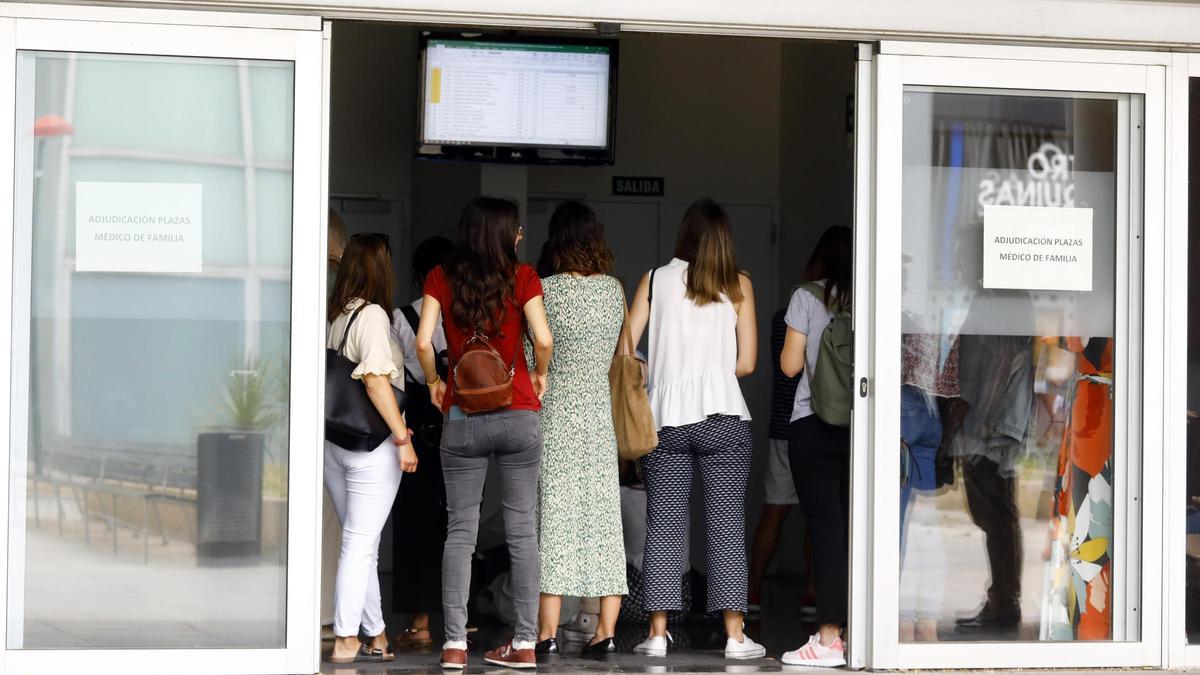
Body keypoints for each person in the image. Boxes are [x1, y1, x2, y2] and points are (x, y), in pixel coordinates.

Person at [415, 197, 554, 671]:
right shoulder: (524, 277)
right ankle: (526, 642)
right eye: (517, 229)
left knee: (461, 531)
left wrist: (434, 383)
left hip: (463, 416)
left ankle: (455, 644)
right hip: (518, 413)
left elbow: (422, 342)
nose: (521, 236)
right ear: (505, 234)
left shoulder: (441, 277)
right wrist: (540, 373)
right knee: (522, 529)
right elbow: (544, 338)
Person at [625, 198, 766, 661]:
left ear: (684, 233)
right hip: (724, 415)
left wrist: (663, 372)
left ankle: (657, 635)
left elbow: (625, 350)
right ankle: (735, 638)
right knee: (726, 526)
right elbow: (747, 363)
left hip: (666, 419)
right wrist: (712, 371)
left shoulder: (654, 280)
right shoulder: (739, 284)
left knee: (664, 526)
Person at [529, 201, 627, 662]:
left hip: (556, 417)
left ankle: (546, 634)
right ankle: (605, 632)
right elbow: (619, 353)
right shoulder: (614, 290)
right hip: (599, 418)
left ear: (558, 241)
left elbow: (531, 356)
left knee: (554, 521)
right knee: (604, 522)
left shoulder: (544, 291)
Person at [325, 232, 418, 664]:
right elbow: (377, 382)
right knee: (360, 544)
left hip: (335, 443)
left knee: (361, 544)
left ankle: (376, 634)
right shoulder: (373, 316)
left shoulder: (335, 314)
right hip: (371, 446)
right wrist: (402, 437)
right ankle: (346, 638)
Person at [779, 225, 852, 667]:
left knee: (826, 531)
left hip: (813, 423)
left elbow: (790, 366)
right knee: (857, 530)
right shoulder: (871, 294)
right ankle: (859, 630)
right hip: (859, 429)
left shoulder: (806, 297)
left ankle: (828, 639)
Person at [390, 235, 455, 650]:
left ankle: (420, 622)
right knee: (459, 522)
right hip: (461, 425)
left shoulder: (402, 318)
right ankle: (462, 620)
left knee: (415, 523)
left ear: (419, 277)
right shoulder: (467, 314)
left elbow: (395, 377)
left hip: (416, 428)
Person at [747, 307, 803, 616]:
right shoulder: (839, 312)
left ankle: (752, 589)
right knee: (820, 518)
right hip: (819, 425)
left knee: (774, 510)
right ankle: (814, 594)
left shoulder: (782, 318)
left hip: (782, 425)